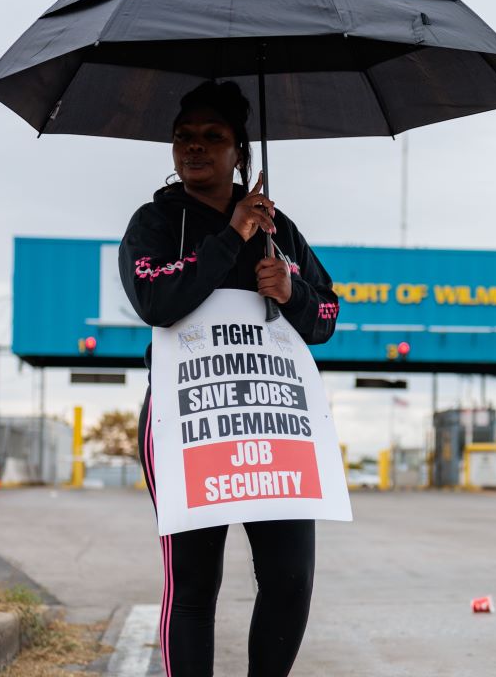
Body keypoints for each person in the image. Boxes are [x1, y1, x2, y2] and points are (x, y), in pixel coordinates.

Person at [119, 80, 339, 676]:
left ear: (240, 151)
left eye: (213, 138)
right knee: (194, 586)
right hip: (188, 420)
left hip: (273, 422)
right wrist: (230, 236)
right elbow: (154, 299)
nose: (195, 148)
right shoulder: (155, 222)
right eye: (184, 138)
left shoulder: (277, 226)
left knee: (290, 579)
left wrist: (291, 291)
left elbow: (326, 316)